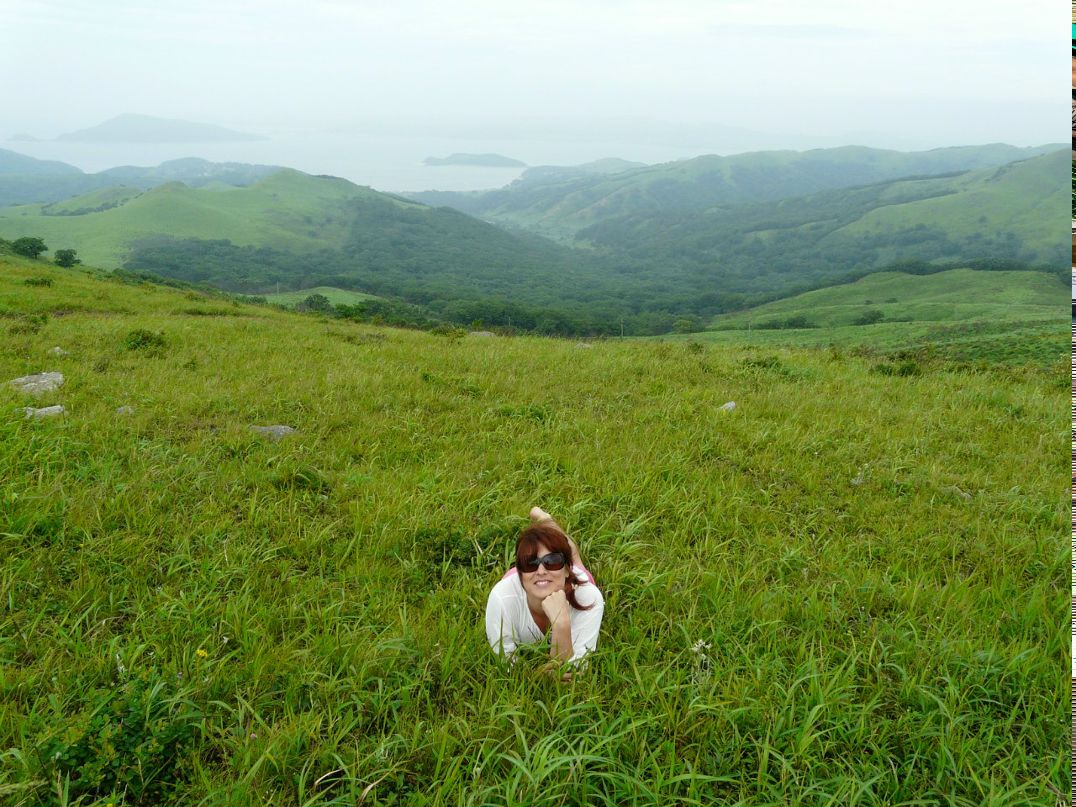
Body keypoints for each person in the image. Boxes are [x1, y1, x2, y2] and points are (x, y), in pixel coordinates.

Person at [485, 507, 604, 674]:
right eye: (530, 562)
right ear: (520, 571)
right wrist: (540, 676)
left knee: (574, 556)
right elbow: (505, 661)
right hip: (531, 582)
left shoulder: (588, 596)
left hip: (566, 579)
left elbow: (576, 669)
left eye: (553, 560)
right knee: (549, 550)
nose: (541, 570)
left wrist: (561, 624)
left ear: (566, 569)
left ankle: (546, 520)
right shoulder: (502, 597)